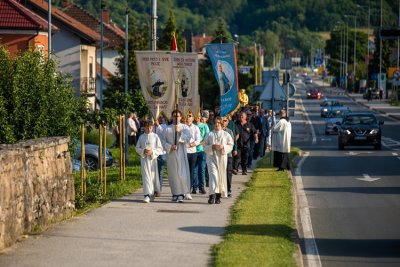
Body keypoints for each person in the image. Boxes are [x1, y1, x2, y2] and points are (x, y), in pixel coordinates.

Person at [162, 110, 192, 203]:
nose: (176, 118)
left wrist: (180, 132)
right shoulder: (167, 129)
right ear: (172, 117)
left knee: (181, 173)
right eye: (174, 116)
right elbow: (162, 141)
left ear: (181, 117)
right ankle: (175, 193)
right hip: (171, 153)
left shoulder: (184, 127)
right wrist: (170, 146)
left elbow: (188, 137)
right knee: (173, 174)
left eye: (178, 116)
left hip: (181, 153)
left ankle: (181, 193)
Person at [204, 117, 234, 204]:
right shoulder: (209, 134)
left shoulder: (226, 134)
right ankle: (211, 195)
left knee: (220, 176)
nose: (217, 124)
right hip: (211, 157)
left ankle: (218, 195)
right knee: (214, 176)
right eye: (215, 123)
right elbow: (204, 145)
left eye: (218, 123)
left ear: (221, 124)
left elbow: (231, 144)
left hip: (221, 157)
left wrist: (223, 147)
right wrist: (211, 147)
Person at [135, 120, 163, 203]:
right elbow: (137, 148)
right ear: (144, 127)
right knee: (146, 176)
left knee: (153, 177)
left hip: (152, 160)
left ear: (152, 127)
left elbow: (160, 148)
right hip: (144, 159)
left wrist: (153, 152)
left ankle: (152, 193)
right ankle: (146, 195)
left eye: (150, 127)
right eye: (147, 127)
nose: (149, 129)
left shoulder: (155, 136)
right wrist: (143, 151)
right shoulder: (141, 137)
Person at [185, 111, 201, 194]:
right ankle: (184, 188)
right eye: (187, 115)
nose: (188, 117)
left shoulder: (195, 128)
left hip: (192, 152)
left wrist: (190, 145)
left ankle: (189, 189)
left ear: (193, 118)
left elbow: (198, 140)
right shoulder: (182, 127)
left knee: (191, 171)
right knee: (184, 171)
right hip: (184, 152)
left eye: (190, 116)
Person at [195, 111, 210, 194]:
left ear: (200, 116)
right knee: (194, 169)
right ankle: (194, 187)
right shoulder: (193, 126)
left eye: (198, 116)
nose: (197, 117)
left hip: (202, 150)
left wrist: (199, 143)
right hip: (193, 150)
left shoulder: (204, 126)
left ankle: (201, 187)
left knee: (201, 169)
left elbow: (207, 138)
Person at [222, 116, 236, 197]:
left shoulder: (229, 131)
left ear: (227, 122)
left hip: (228, 154)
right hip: (219, 155)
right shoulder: (217, 131)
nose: (223, 122)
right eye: (222, 120)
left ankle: (228, 189)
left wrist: (234, 149)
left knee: (228, 172)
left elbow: (232, 142)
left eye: (225, 121)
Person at [154, 115, 167, 196]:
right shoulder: (152, 126)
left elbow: (163, 134)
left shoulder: (164, 126)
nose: (159, 118)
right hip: (152, 152)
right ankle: (153, 188)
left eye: (161, 117)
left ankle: (158, 189)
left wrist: (158, 125)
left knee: (159, 171)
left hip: (161, 152)